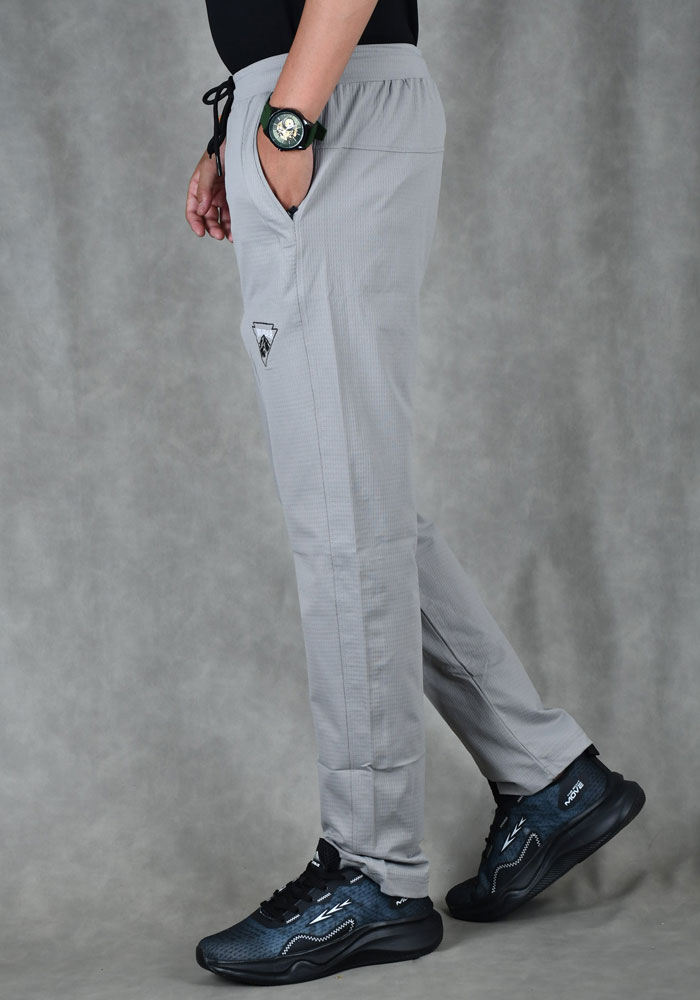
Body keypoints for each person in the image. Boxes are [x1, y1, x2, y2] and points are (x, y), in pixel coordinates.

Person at [185, 0, 645, 986]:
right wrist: (244, 126)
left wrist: (286, 119)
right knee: (353, 494)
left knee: (342, 511)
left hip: (323, 95)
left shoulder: (304, 113)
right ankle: (547, 775)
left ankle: (373, 871)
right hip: (316, 90)